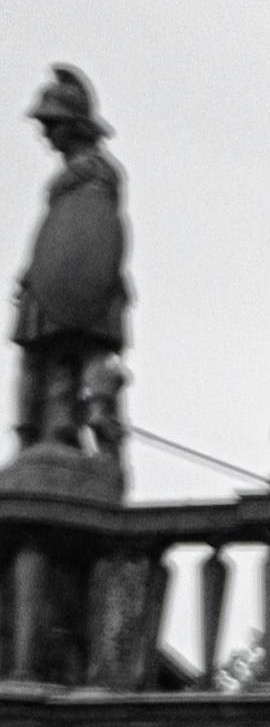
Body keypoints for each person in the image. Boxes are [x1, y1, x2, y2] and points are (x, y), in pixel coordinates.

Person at [10, 68, 125, 472]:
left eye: (52, 125)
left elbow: (89, 234)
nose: (46, 134)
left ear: (73, 126)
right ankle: (51, 430)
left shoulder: (94, 173)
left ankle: (70, 426)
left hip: (86, 283)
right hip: (56, 282)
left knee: (69, 354)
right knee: (54, 357)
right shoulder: (89, 174)